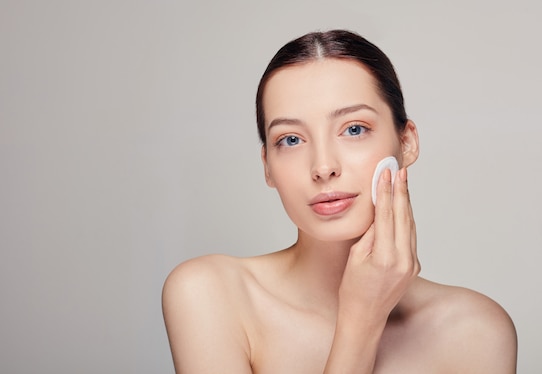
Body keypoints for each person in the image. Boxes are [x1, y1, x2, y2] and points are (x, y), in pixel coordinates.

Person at [162, 29, 517, 373]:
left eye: (354, 129)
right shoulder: (210, 295)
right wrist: (361, 322)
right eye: (290, 140)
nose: (323, 167)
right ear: (267, 166)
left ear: (406, 142)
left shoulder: (476, 332)